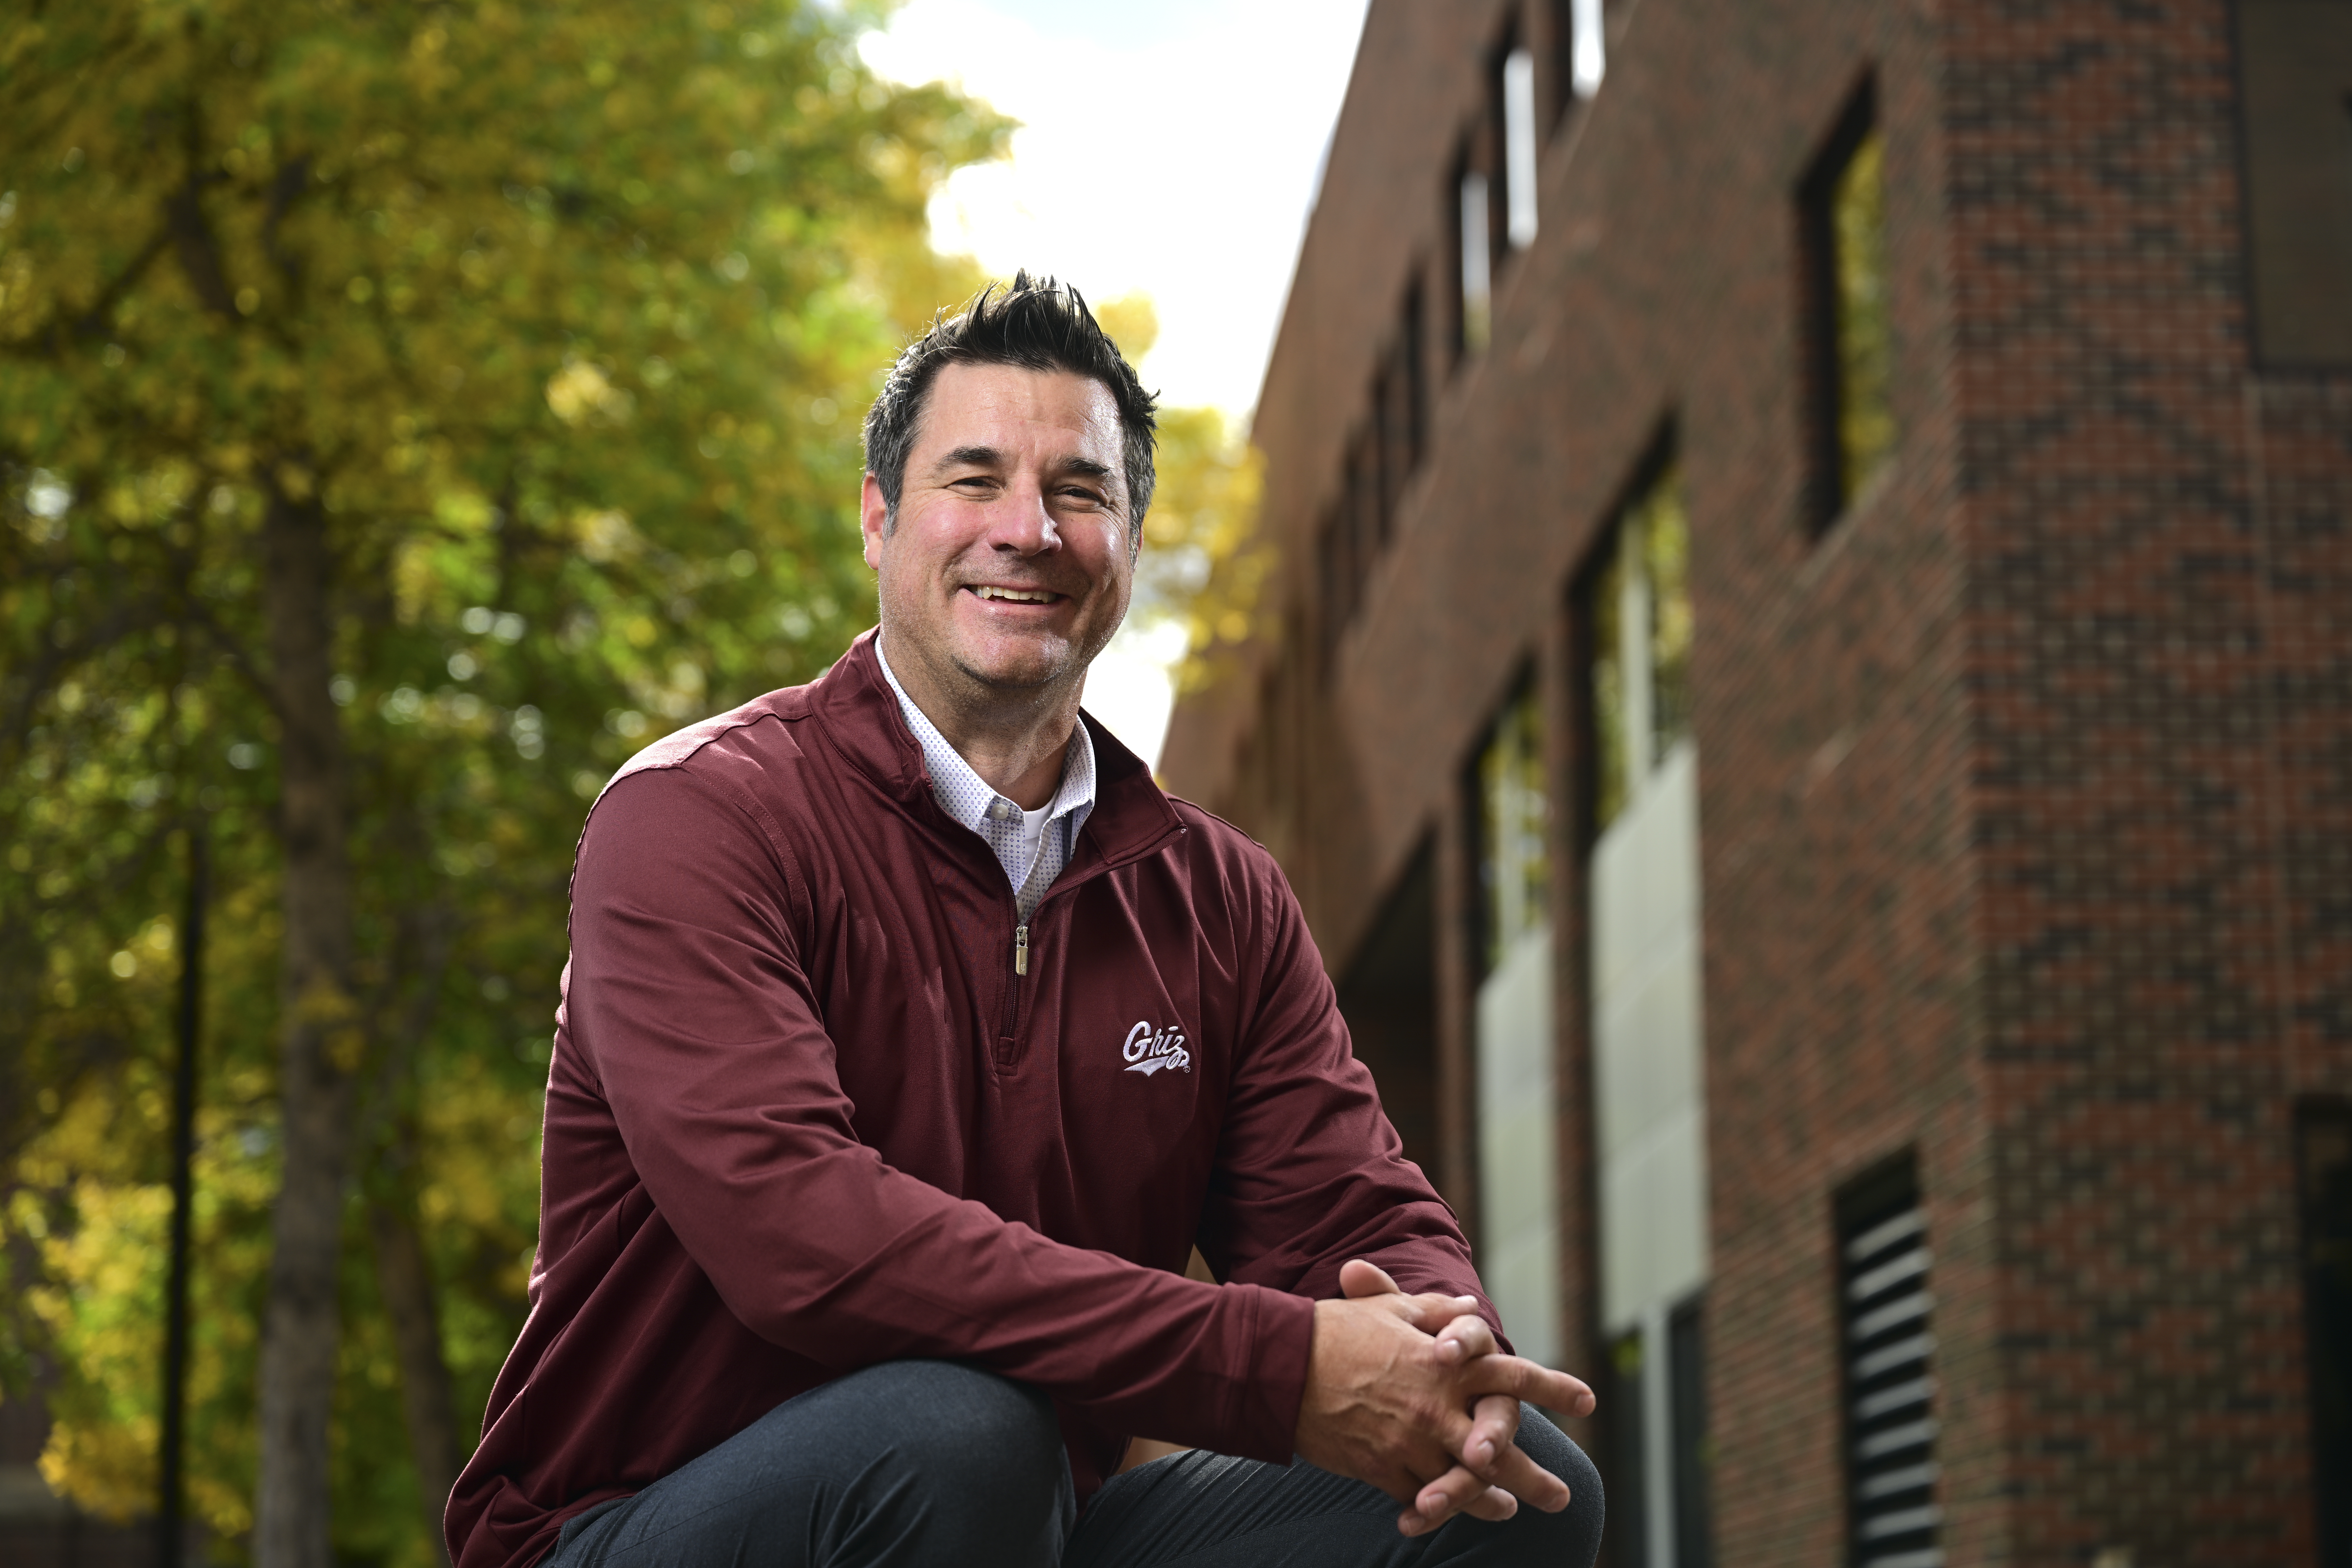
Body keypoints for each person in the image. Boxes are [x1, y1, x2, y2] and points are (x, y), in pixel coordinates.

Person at [446, 275, 1605, 1568]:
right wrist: (1272, 1366)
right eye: (975, 479)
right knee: (954, 1431)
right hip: (637, 1523)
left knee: (1505, 1479)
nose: (1029, 530)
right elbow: (803, 1243)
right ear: (879, 521)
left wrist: (1446, 1357)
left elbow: (1348, 1224)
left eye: (1081, 493)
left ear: (1129, 544)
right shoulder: (698, 821)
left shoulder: (1220, 897)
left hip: (1021, 1526)